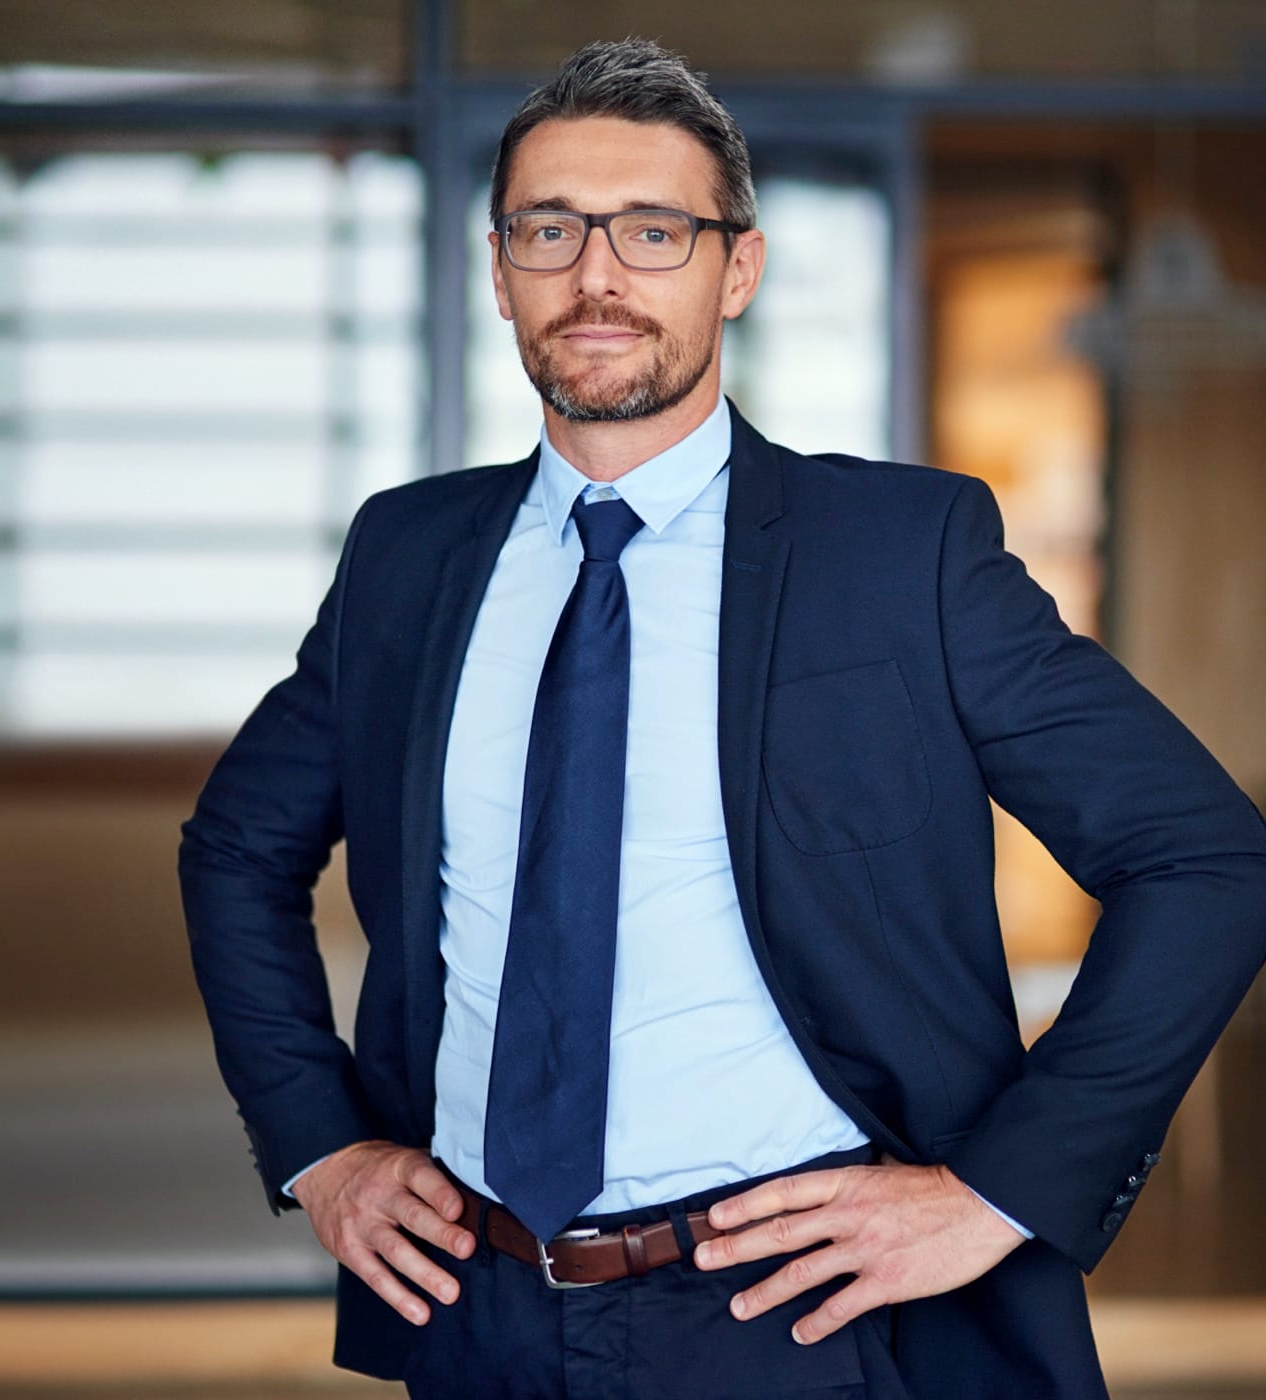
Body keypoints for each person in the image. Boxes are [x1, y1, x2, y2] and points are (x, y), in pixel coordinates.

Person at [177, 38, 1266, 1400]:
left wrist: (995, 1194)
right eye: (549, 229)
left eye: (653, 230)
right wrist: (318, 1142)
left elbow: (1205, 858)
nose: (598, 277)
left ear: (736, 269)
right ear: (498, 269)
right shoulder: (408, 556)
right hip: (483, 1314)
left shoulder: (900, 553)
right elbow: (235, 848)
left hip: (799, 1320)